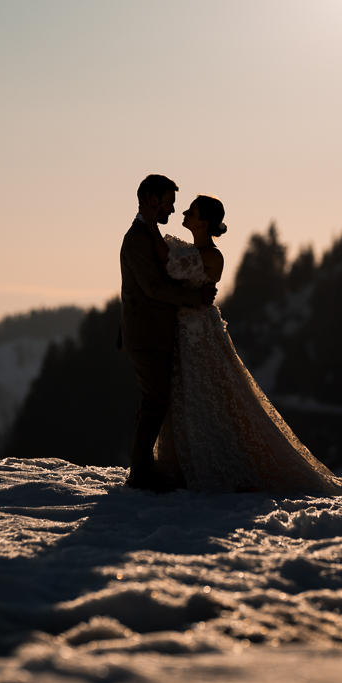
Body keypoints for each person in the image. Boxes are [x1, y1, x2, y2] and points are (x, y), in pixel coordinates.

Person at [141, 193, 342, 495]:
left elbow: (169, 266)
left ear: (204, 222)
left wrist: (150, 226)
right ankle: (185, 463)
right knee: (184, 395)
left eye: (191, 211)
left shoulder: (212, 256)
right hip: (182, 330)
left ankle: (219, 463)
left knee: (206, 393)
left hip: (198, 332)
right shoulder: (190, 250)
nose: (184, 212)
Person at [118, 175, 216, 490]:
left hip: (157, 333)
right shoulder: (137, 239)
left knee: (155, 401)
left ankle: (142, 470)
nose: (173, 210)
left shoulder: (150, 235)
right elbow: (153, 287)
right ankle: (140, 475)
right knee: (155, 401)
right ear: (151, 199)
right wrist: (195, 298)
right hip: (145, 334)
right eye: (169, 203)